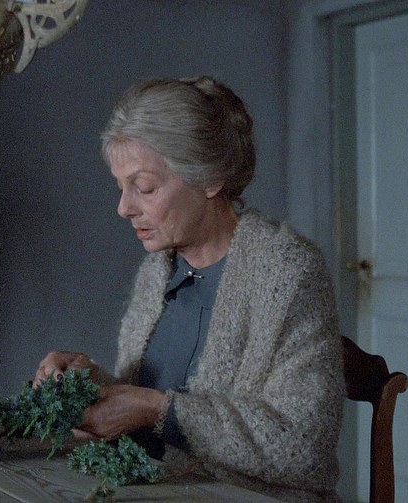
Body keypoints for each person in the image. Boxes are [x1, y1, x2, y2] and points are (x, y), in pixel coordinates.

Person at [34, 76, 344, 502]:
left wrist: (155, 410)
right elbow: (150, 412)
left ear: (210, 178)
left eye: (145, 187)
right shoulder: (156, 271)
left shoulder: (287, 273)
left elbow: (304, 448)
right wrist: (91, 385)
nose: (124, 208)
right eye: (121, 187)